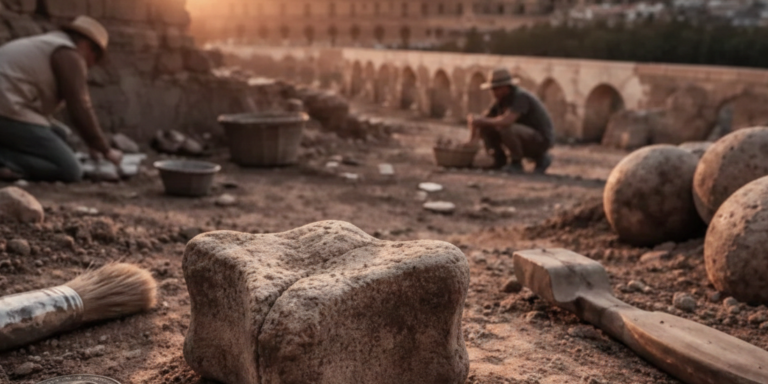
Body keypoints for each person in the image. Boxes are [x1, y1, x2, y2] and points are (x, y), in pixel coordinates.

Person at [0, 15, 122, 182]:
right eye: (96, 58)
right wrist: (105, 149)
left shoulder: (50, 44)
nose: (92, 64)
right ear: (87, 46)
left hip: (9, 107)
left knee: (62, 134)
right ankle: (6, 161)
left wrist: (91, 143)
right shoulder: (69, 55)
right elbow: (79, 106)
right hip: (7, 111)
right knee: (71, 170)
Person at [466, 68, 554, 174]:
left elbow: (506, 121)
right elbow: (485, 118)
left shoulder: (520, 97)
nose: (494, 92)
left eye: (496, 89)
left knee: (506, 128)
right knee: (487, 126)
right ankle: (498, 159)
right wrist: (473, 132)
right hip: (525, 135)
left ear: (506, 87)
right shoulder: (501, 100)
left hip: (540, 139)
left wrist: (482, 121)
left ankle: (517, 162)